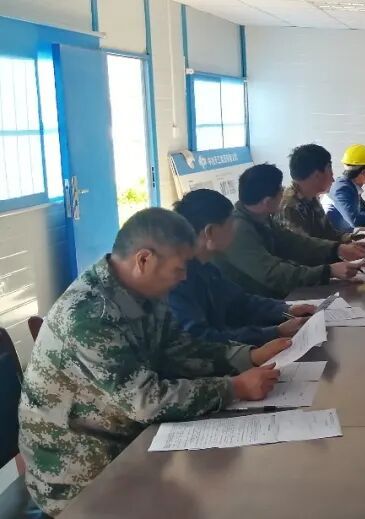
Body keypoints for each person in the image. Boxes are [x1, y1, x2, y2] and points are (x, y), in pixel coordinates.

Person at [18, 208, 290, 516]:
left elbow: (179, 349)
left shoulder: (143, 292)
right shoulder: (90, 315)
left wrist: (248, 356)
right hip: (80, 476)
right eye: (179, 268)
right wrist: (234, 388)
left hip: (128, 443)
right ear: (144, 260)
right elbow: (145, 402)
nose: (184, 277)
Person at [170, 189, 318, 346]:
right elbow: (203, 339)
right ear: (210, 232)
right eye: (231, 224)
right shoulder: (176, 281)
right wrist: (274, 332)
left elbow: (241, 302)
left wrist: (286, 310)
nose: (235, 230)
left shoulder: (206, 267)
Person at [213, 163, 365, 299]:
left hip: (275, 297)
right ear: (267, 202)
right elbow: (273, 274)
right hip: (260, 305)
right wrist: (328, 271)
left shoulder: (261, 217)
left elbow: (295, 242)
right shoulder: (238, 230)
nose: (283, 193)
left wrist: (337, 249)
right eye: (280, 190)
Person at [278, 143, 356, 243]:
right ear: (317, 175)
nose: (333, 180)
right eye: (330, 172)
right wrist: (340, 248)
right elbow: (305, 248)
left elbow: (330, 235)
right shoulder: (290, 207)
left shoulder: (311, 197)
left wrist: (358, 239)